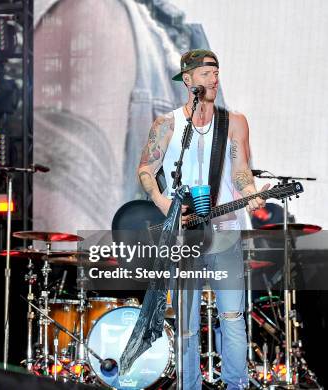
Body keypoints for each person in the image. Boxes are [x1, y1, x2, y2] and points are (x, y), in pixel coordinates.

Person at [137, 49, 268, 388]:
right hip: (184, 237)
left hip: (225, 231)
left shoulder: (234, 121)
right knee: (186, 323)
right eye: (206, 72)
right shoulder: (166, 125)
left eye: (216, 71)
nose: (214, 77)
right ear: (188, 79)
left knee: (233, 317)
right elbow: (146, 169)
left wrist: (251, 194)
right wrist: (163, 201)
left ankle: (236, 385)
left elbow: (241, 171)